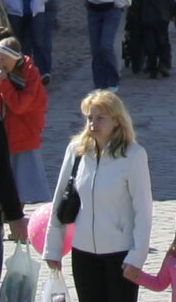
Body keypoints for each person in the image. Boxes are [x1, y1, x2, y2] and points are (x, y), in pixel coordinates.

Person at [43, 91, 156, 302]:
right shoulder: (76, 151)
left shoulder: (133, 155)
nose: (93, 123)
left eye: (100, 118)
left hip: (120, 253)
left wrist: (137, 256)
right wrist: (53, 249)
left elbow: (143, 210)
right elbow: (60, 198)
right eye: (90, 118)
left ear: (116, 121)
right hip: (83, 251)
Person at [0, 39, 51, 222]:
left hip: (24, 134)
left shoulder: (30, 74)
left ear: (14, 58)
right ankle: (7, 213)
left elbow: (20, 106)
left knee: (21, 180)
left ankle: (15, 215)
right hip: (1, 134)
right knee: (3, 176)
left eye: (3, 59)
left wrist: (4, 84)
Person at [82, 0, 132, 92]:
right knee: (96, 48)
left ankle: (112, 80)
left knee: (106, 45)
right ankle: (99, 83)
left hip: (110, 10)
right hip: (94, 10)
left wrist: (117, 3)